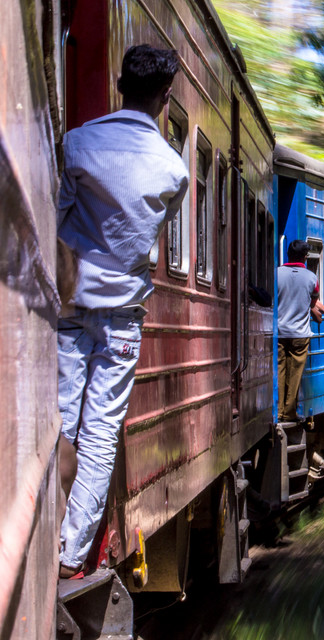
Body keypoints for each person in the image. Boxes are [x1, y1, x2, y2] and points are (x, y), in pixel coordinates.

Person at [57, 44, 189, 578]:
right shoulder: (173, 170)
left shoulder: (76, 145)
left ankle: (36, 532)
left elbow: (54, 216)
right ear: (165, 97)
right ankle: (68, 556)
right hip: (123, 320)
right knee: (101, 432)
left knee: (59, 424)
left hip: (67, 310)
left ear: (119, 84)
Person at [277, 240, 324, 422]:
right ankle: (289, 412)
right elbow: (313, 302)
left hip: (280, 332)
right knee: (295, 373)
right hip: (300, 334)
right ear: (305, 257)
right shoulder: (312, 278)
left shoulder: (277, 273)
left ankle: (278, 410)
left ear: (288, 254)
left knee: (279, 370)